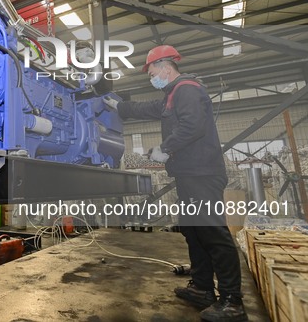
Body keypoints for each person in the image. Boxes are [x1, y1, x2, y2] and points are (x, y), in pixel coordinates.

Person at [104, 45, 248, 322]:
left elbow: (193, 125)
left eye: (152, 72)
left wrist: (166, 148)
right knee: (194, 231)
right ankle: (203, 287)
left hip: (202, 173)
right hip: (189, 173)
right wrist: (119, 106)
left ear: (166, 67)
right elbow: (149, 108)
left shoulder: (187, 89)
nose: (150, 77)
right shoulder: (172, 95)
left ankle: (232, 301)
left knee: (212, 232)